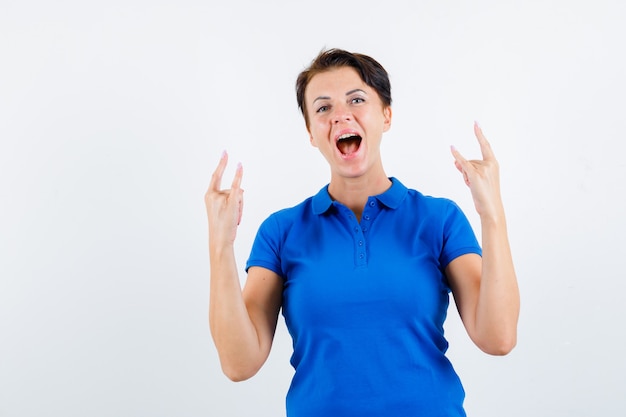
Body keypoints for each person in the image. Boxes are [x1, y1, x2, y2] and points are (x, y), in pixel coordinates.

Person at [204, 48, 520, 416]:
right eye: (323, 108)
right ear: (310, 132)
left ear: (386, 115)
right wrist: (220, 244)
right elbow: (238, 364)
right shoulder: (282, 231)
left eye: (357, 99)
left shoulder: (439, 219)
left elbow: (498, 338)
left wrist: (491, 214)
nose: (341, 115)